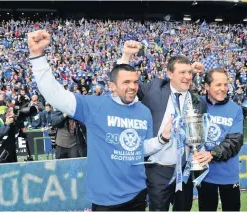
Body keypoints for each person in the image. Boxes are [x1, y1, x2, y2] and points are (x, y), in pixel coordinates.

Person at [28, 30, 172, 211]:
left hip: (138, 194)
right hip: (105, 199)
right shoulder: (94, 106)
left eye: (135, 82)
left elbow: (141, 148)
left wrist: (162, 139)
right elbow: (54, 94)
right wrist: (37, 56)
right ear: (112, 86)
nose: (132, 87)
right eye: (126, 82)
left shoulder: (143, 112)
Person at [118, 40, 207, 211]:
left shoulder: (197, 101)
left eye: (189, 72)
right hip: (158, 171)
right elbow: (125, 82)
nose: (188, 76)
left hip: (185, 171)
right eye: (182, 72)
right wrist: (127, 56)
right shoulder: (155, 89)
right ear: (169, 74)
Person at [195, 68, 244, 211]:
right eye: (218, 85)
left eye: (225, 85)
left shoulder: (235, 109)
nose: (223, 89)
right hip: (204, 175)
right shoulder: (196, 103)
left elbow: (235, 142)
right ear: (206, 86)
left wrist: (211, 154)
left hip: (228, 175)